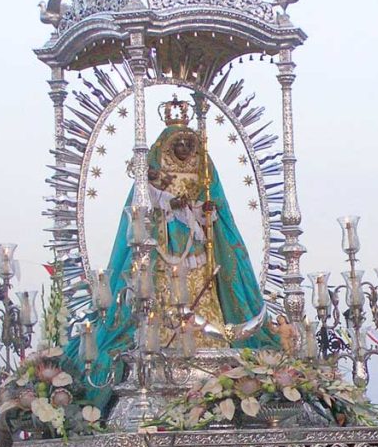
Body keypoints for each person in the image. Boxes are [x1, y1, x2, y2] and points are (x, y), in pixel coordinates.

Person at [68, 95, 277, 407]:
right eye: (178, 142)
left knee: (202, 296)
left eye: (187, 142)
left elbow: (211, 204)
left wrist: (206, 212)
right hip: (164, 245)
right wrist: (169, 204)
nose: (183, 148)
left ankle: (206, 340)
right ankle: (159, 341)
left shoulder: (203, 169)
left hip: (197, 249)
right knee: (159, 296)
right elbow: (144, 205)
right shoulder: (155, 172)